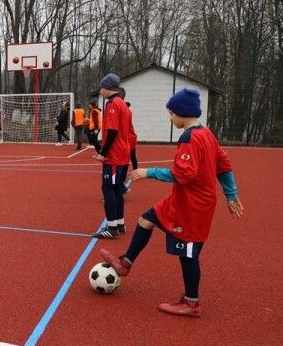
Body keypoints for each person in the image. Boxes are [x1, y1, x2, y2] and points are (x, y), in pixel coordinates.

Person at [99, 88, 243, 317]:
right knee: (146, 219)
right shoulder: (207, 133)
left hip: (193, 204)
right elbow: (224, 164)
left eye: (171, 113)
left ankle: (191, 302)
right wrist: (231, 193)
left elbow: (183, 174)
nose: (170, 117)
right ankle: (125, 263)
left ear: (182, 112)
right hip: (182, 199)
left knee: (188, 253)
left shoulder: (190, 137)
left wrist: (149, 172)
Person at [92, 74, 132, 239]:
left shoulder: (113, 104)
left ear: (108, 87)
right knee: (116, 189)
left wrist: (103, 152)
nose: (100, 91)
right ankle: (119, 224)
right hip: (123, 152)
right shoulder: (122, 103)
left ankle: (112, 227)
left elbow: (113, 131)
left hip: (115, 155)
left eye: (102, 88)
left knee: (108, 188)